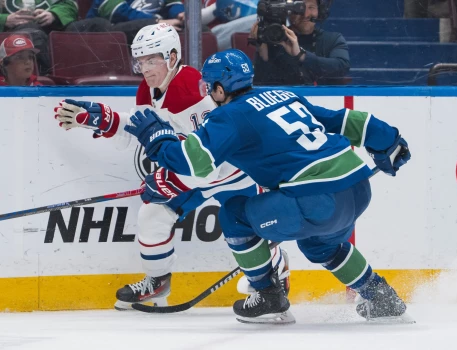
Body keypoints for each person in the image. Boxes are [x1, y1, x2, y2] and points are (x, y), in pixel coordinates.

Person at [124, 48, 411, 324]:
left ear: (221, 89)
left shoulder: (228, 116)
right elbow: (344, 120)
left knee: (234, 214)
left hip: (315, 199)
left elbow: (195, 163)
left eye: (210, 87)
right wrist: (388, 142)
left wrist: (155, 136)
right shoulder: (283, 94)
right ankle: (381, 297)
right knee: (321, 246)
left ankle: (267, 295)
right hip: (357, 188)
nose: (208, 94)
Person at [54, 24, 290, 310]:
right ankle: (157, 282)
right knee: (153, 214)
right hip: (199, 172)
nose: (145, 68)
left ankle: (276, 274)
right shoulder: (148, 89)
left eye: (152, 60)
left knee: (250, 230)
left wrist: (170, 179)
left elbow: (209, 158)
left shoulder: (192, 87)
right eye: (140, 61)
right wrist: (102, 120)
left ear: (172, 56)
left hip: (234, 170)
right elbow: (141, 129)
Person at [251, 0, 350, 85]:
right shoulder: (274, 40)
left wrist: (301, 55)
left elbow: (342, 68)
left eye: (311, 7)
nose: (306, 15)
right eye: (299, 8)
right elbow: (260, 85)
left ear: (320, 11)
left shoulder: (333, 39)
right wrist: (262, 54)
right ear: (288, 12)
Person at [0, 0, 78, 74]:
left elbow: (69, 4)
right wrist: (4, 19)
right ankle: (42, 79)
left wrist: (53, 14)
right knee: (32, 31)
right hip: (9, 33)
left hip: (47, 29)